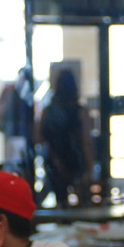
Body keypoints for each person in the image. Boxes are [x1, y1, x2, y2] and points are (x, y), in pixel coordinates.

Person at [38, 69, 92, 207]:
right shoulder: (80, 111)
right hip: (75, 159)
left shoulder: (48, 111)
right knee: (81, 203)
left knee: (60, 201)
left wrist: (53, 156)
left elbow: (38, 137)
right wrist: (89, 166)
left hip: (54, 159)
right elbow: (86, 141)